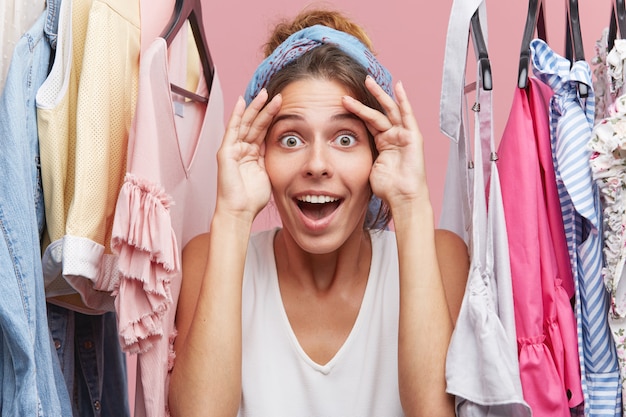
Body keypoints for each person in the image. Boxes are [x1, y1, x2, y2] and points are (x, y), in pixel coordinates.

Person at [168, 7, 469, 417]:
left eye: (345, 138)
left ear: (378, 155)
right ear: (260, 156)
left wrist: (411, 204)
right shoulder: (207, 259)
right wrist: (234, 215)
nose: (316, 164)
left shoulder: (439, 256)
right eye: (290, 140)